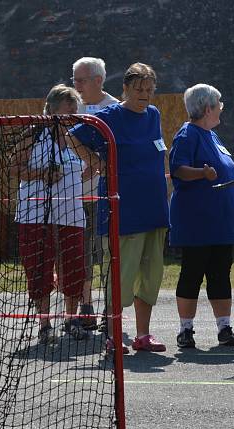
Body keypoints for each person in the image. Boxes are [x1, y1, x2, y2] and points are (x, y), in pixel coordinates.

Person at [69, 63, 170, 353]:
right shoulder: (109, 117)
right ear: (124, 89)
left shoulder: (154, 115)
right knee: (120, 277)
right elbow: (72, 137)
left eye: (149, 90)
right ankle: (113, 335)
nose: (145, 95)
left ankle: (143, 335)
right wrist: (95, 161)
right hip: (122, 213)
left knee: (150, 277)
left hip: (154, 209)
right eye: (139, 89)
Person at [11, 84, 88, 344]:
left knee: (75, 265)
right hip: (35, 213)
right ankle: (44, 324)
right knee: (40, 267)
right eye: (68, 108)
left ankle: (71, 319)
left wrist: (78, 180)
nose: (73, 114)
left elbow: (94, 165)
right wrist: (42, 174)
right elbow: (14, 169)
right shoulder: (33, 134)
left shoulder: (78, 136)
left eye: (75, 109)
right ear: (53, 108)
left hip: (71, 212)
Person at [169, 84, 234, 348]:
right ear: (208, 107)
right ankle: (186, 330)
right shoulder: (188, 134)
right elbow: (178, 169)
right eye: (219, 102)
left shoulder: (212, 135)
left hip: (221, 223)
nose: (222, 107)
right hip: (197, 222)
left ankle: (224, 327)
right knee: (192, 273)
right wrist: (201, 173)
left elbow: (224, 169)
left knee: (220, 274)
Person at [71, 57, 119, 330]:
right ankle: (85, 307)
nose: (76, 85)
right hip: (74, 197)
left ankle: (109, 312)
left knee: (107, 254)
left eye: (81, 80)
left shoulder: (113, 109)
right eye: (74, 79)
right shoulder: (72, 106)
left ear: (98, 80)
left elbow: (116, 151)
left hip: (103, 196)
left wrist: (97, 163)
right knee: (83, 254)